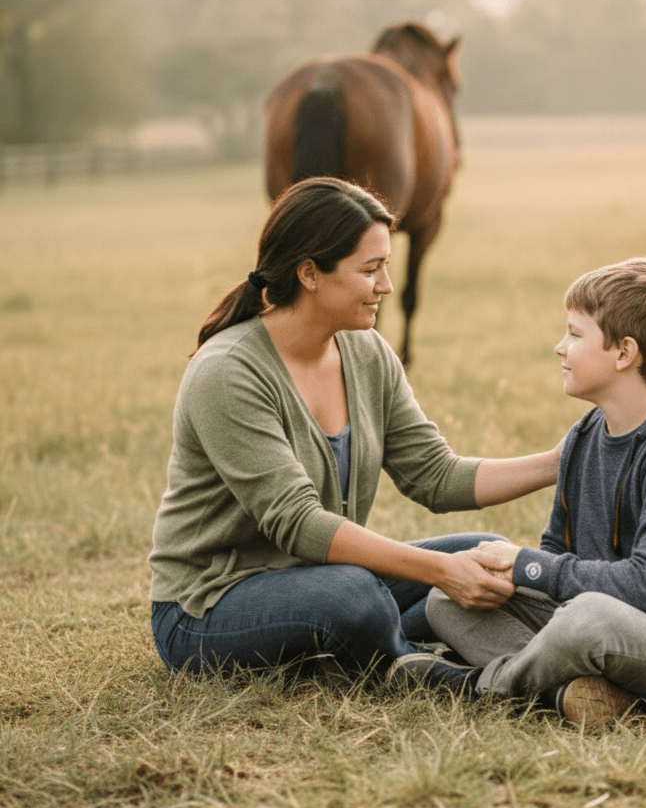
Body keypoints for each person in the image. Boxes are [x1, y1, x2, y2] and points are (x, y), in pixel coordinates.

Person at [148, 177, 563, 677]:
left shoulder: (366, 352)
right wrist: (440, 573)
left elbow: (434, 474)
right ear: (309, 273)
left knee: (488, 556)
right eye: (371, 270)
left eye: (385, 267)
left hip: (322, 580)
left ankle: (430, 643)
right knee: (354, 596)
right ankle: (447, 675)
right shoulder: (229, 372)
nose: (386, 286)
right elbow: (297, 522)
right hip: (206, 609)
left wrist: (558, 462)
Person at [388, 258, 646, 726]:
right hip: (593, 621)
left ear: (624, 353)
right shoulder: (584, 436)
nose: (559, 348)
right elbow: (555, 552)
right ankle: (570, 693)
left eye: (575, 335)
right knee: (450, 598)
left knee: (588, 620)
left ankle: (480, 686)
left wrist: (529, 566)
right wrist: (514, 578)